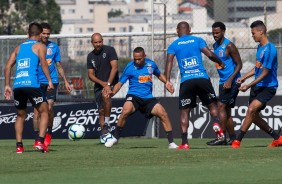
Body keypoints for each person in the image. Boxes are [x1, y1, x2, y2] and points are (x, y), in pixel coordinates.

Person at [165, 21, 225, 150]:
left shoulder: (173, 45)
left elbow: (169, 62)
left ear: (177, 31)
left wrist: (167, 81)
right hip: (202, 78)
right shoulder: (197, 40)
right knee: (212, 105)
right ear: (190, 30)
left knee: (185, 112)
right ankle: (215, 123)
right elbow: (209, 54)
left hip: (186, 81)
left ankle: (185, 143)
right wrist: (220, 61)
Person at [104, 47, 178, 149]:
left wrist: (167, 82)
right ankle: (115, 138)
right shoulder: (129, 67)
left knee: (163, 113)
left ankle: (171, 143)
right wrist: (112, 93)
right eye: (135, 59)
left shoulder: (151, 64)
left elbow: (159, 74)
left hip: (148, 98)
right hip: (134, 96)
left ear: (144, 56)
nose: (137, 61)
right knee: (125, 110)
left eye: (139, 59)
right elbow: (120, 83)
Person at [4, 22, 54, 153]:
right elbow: (44, 64)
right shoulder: (40, 46)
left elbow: (7, 66)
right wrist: (49, 80)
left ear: (28, 34)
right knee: (44, 111)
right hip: (32, 84)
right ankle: (40, 142)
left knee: (20, 115)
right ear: (39, 35)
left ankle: (19, 146)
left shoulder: (18, 48)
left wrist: (7, 85)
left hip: (18, 86)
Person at [231, 20, 281, 148]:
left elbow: (264, 73)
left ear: (261, 32)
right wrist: (244, 77)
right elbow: (257, 68)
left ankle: (237, 141)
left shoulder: (270, 50)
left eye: (253, 33)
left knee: (251, 109)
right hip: (257, 87)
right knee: (253, 116)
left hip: (268, 87)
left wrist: (248, 85)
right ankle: (277, 138)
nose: (252, 35)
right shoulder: (260, 47)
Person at [33, 22, 72, 148]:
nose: (46, 35)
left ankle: (48, 133)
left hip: (52, 81)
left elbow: (58, 65)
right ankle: (38, 138)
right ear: (39, 33)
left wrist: (65, 80)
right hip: (37, 82)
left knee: (49, 108)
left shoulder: (54, 47)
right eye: (44, 33)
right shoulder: (34, 47)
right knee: (37, 113)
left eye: (48, 33)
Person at [207, 22, 242, 146]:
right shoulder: (215, 45)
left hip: (231, 82)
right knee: (226, 111)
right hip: (223, 82)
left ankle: (221, 137)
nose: (215, 35)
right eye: (213, 33)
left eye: (217, 32)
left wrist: (230, 80)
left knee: (220, 107)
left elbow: (239, 64)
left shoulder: (229, 46)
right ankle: (233, 138)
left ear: (223, 31)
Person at [87, 33, 119, 140]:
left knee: (106, 96)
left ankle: (107, 124)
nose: (98, 44)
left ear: (102, 41)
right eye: (95, 42)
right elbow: (90, 75)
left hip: (112, 83)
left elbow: (114, 67)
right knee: (101, 110)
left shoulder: (110, 50)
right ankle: (104, 134)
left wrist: (108, 84)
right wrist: (102, 83)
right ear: (92, 43)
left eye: (100, 41)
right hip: (99, 85)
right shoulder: (90, 56)